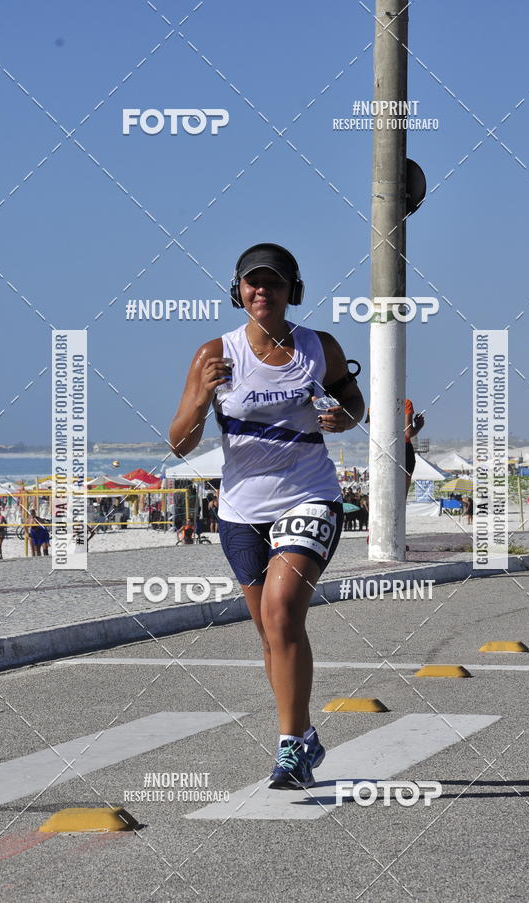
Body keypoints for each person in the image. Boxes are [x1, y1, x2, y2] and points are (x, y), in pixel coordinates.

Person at [169, 242, 364, 790]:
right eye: (253, 283)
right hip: (241, 510)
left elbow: (354, 405)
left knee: (282, 613)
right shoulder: (215, 353)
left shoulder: (319, 347)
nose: (263, 291)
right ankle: (304, 735)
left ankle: (290, 747)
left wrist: (343, 416)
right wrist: (201, 398)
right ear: (238, 291)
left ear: (292, 291)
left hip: (310, 495)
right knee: (269, 633)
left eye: (274, 283)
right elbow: (180, 442)